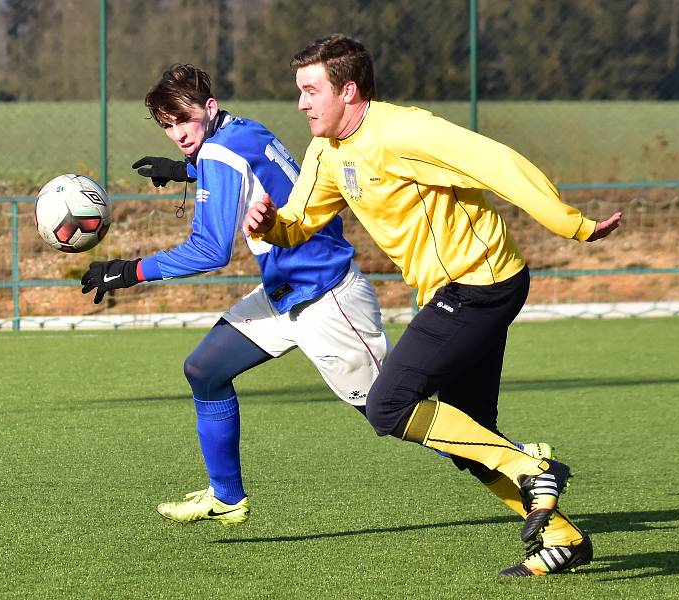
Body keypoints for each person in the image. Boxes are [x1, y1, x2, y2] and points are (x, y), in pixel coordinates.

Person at [244, 34, 623, 577]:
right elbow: (301, 219)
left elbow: (499, 163)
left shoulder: (404, 131)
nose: (301, 103)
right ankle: (562, 539)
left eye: (310, 90)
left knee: (388, 405)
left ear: (348, 90)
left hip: (482, 285)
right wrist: (272, 226)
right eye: (299, 91)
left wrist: (572, 224)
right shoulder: (327, 151)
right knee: (471, 437)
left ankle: (529, 465)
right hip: (459, 292)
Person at [80, 63, 390, 526]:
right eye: (168, 126)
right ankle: (227, 497)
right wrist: (185, 169)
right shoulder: (243, 129)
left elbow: (209, 250)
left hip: (327, 300)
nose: (178, 133)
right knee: (205, 370)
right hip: (286, 293)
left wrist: (130, 271)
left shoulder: (218, 154)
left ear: (209, 107)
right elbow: (252, 167)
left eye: (184, 119)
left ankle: (522, 466)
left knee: (394, 413)